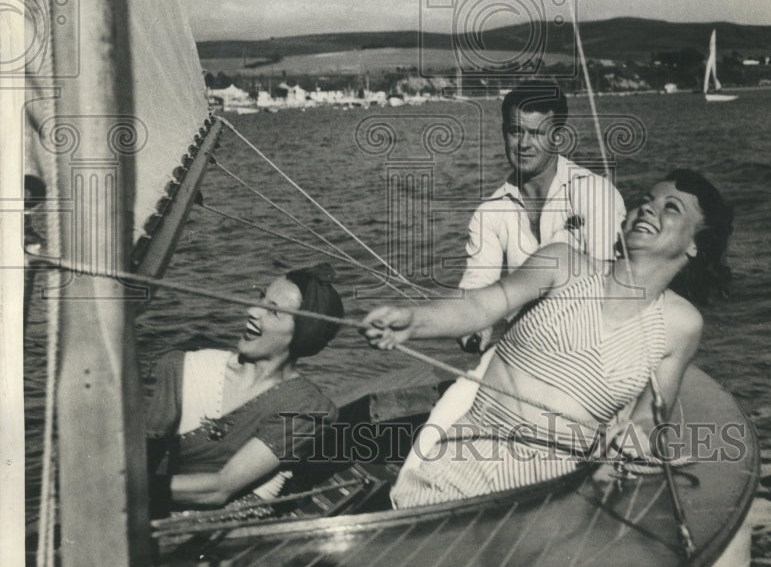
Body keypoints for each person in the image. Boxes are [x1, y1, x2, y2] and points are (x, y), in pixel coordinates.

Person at [363, 170, 732, 508]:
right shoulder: (563, 263)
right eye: (645, 201)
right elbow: (480, 305)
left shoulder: (681, 324)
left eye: (671, 208)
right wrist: (414, 321)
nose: (649, 209)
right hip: (465, 463)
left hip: (554, 491)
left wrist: (628, 442)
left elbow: (651, 417)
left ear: (695, 245)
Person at [146, 265, 343, 514]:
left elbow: (221, 488)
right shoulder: (183, 366)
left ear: (304, 332)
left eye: (272, 311)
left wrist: (120, 487)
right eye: (260, 298)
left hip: (221, 527)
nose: (252, 311)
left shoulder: (307, 408)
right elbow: (144, 454)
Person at [458, 80, 625, 353]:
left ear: (558, 137)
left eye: (536, 133)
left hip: (593, 349)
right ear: (504, 133)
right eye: (515, 131)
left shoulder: (596, 193)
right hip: (522, 350)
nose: (524, 143)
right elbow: (478, 284)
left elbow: (608, 288)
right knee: (456, 397)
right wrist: (472, 323)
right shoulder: (489, 213)